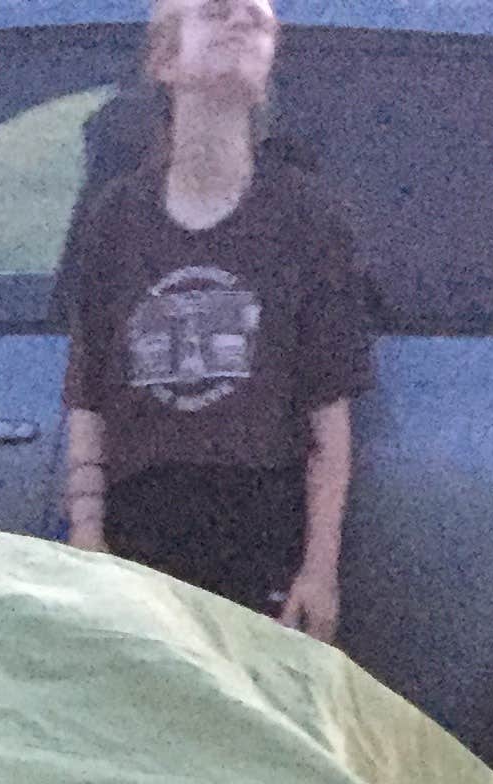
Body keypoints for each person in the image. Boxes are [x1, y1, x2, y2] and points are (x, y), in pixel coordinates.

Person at [57, 0, 374, 641]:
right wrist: (88, 535)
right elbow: (87, 395)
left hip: (259, 527)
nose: (241, 26)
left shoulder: (306, 220)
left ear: (268, 66)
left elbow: (329, 424)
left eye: (257, 22)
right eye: (217, 12)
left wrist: (319, 570)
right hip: (138, 527)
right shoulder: (116, 219)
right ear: (165, 60)